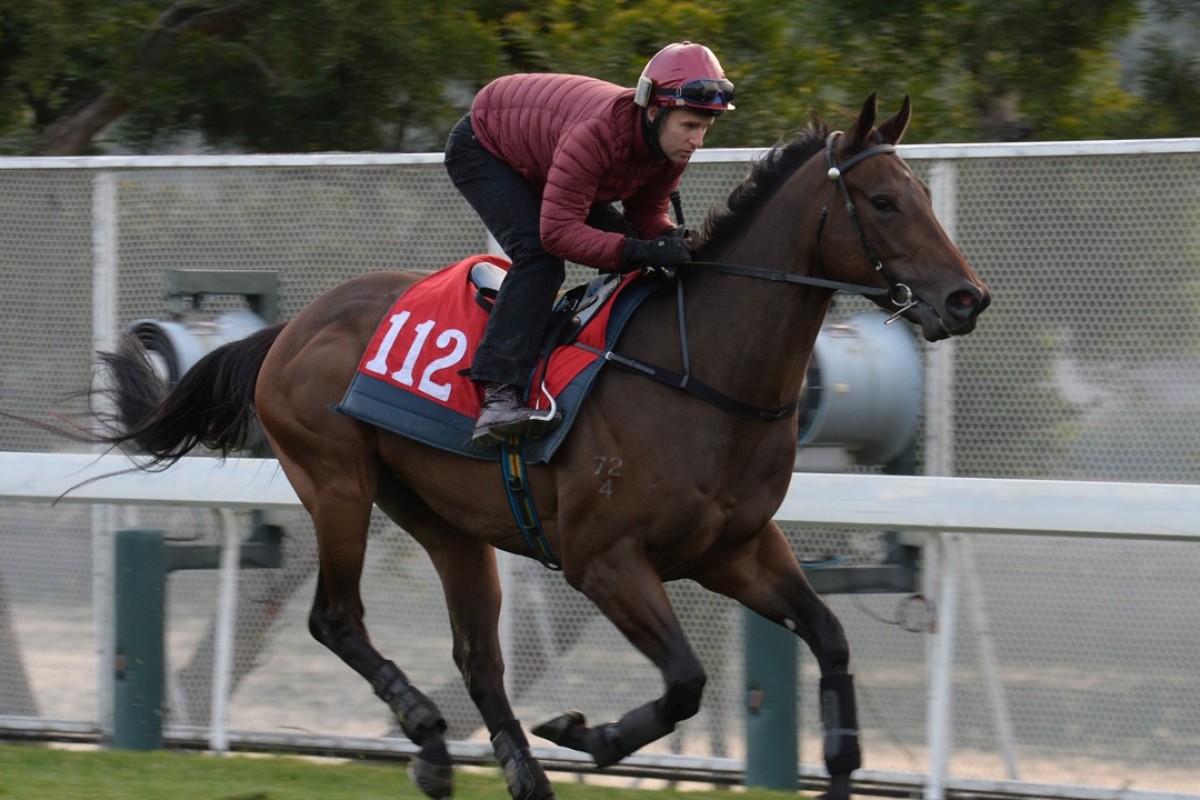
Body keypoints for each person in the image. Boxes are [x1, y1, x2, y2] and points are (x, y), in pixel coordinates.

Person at [444, 40, 735, 444]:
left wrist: (673, 239)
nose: (697, 141)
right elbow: (557, 233)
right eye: (689, 126)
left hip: (549, 153)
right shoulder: (597, 134)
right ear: (654, 111)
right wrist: (639, 250)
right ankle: (499, 396)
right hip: (486, 147)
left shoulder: (668, 149)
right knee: (539, 256)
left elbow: (647, 216)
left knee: (631, 243)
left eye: (705, 128)